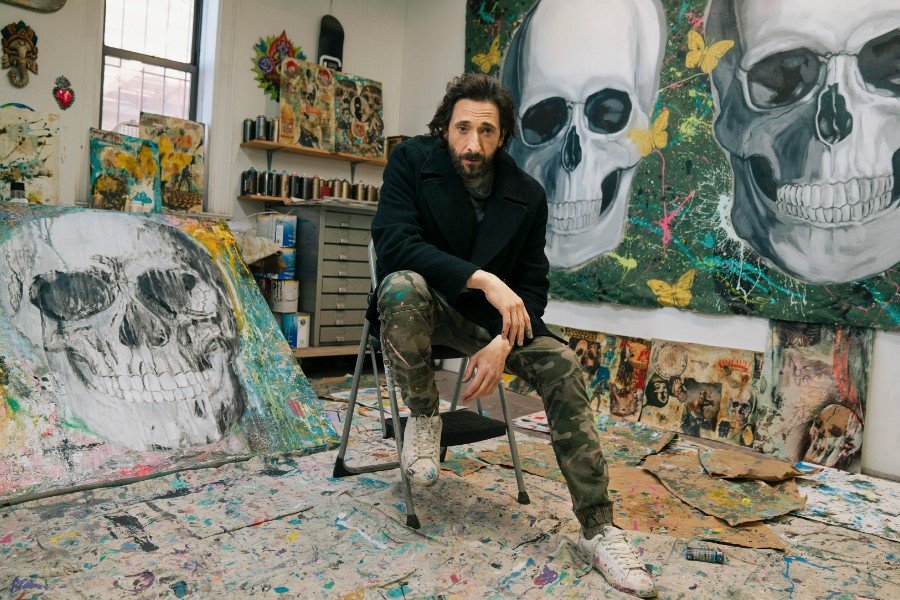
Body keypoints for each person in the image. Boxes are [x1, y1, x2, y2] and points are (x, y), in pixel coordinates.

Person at [367, 73, 657, 598]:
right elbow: (394, 245)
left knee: (563, 364)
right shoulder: (410, 161)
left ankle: (599, 530)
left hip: (488, 325)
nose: (472, 144)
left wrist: (502, 343)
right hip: (423, 308)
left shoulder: (527, 194)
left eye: (486, 131)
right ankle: (425, 417)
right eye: (462, 128)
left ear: (502, 137)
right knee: (401, 286)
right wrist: (483, 279)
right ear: (444, 128)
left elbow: (533, 287)